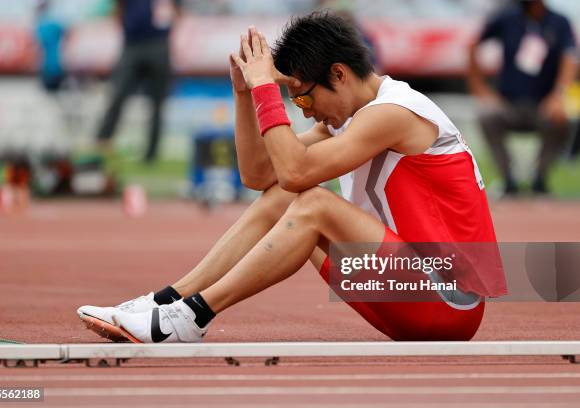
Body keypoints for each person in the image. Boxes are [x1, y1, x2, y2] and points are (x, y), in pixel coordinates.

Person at [78, 11, 506, 343]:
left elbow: (297, 172)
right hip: (407, 294)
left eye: (302, 93)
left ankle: (193, 316)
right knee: (285, 198)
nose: (301, 107)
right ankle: (168, 301)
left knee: (313, 202)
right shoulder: (350, 119)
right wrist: (246, 94)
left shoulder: (393, 114)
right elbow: (261, 175)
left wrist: (267, 88)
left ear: (338, 74)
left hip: (449, 303)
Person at [467, 0, 578, 195]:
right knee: (487, 116)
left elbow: (570, 58)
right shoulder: (507, 18)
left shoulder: (559, 22)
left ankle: (539, 179)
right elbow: (473, 44)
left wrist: (557, 96)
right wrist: (478, 86)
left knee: (562, 120)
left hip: (542, 105)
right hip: (509, 104)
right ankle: (508, 179)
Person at [95, 0, 182, 163]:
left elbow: (178, 10)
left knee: (157, 101)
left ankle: (152, 152)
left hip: (158, 44)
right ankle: (102, 142)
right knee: (118, 94)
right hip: (133, 44)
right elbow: (118, 9)